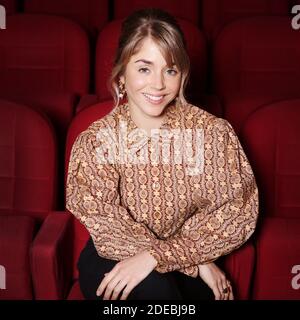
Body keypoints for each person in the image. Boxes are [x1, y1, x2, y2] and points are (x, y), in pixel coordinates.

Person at [66, 8, 259, 301]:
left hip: (184, 255)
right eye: (144, 68)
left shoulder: (211, 132)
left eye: (170, 70)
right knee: (157, 292)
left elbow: (237, 213)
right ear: (121, 74)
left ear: (182, 75)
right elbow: (107, 223)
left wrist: (159, 257)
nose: (158, 84)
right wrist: (198, 264)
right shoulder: (98, 140)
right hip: (113, 253)